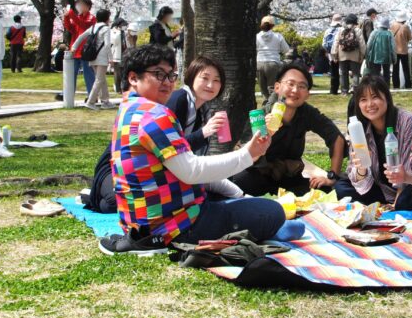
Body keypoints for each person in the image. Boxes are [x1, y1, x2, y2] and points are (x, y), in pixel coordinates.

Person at [99, 44, 285, 255]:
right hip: (174, 224)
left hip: (143, 219)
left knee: (239, 202)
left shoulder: (129, 108)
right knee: (272, 212)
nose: (168, 82)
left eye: (171, 75)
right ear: (133, 78)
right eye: (159, 74)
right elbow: (191, 170)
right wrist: (248, 154)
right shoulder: (156, 114)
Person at [87, 55, 238, 214]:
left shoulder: (202, 111)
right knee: (112, 203)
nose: (210, 85)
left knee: (203, 196)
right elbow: (164, 146)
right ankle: (90, 195)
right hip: (120, 165)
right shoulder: (179, 99)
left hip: (157, 170)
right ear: (192, 77)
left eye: (216, 80)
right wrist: (203, 133)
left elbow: (184, 157)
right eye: (205, 78)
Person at [230, 62, 346, 196]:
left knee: (324, 190)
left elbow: (336, 138)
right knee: (240, 181)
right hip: (258, 177)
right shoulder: (260, 117)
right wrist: (264, 136)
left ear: (307, 94)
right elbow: (244, 157)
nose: (295, 90)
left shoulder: (307, 113)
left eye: (302, 86)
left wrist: (332, 177)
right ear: (277, 87)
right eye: (290, 84)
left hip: (289, 178)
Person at [335, 75, 412, 209]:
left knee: (405, 200)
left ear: (386, 98)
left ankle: (394, 202)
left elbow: (408, 165)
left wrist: (396, 205)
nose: (370, 104)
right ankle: (385, 203)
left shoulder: (407, 121)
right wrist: (361, 168)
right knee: (341, 188)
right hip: (381, 187)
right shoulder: (358, 128)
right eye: (363, 100)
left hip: (408, 183)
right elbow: (358, 176)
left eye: (375, 97)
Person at [71, 9, 113, 111]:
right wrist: (111, 58)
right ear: (106, 18)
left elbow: (81, 37)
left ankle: (105, 101)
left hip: (92, 56)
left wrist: (74, 47)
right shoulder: (106, 29)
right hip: (102, 57)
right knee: (99, 80)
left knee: (101, 79)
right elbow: (107, 45)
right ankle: (91, 102)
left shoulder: (93, 27)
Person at [64, 0, 97, 95]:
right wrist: (66, 17)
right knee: (71, 74)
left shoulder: (91, 18)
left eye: (81, 5)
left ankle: (91, 95)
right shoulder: (77, 17)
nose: (79, 7)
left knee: (88, 74)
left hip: (86, 50)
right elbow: (71, 28)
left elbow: (83, 25)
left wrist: (71, 14)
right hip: (75, 50)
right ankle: (68, 93)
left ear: (87, 6)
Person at [256, 15, 290, 100]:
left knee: (263, 90)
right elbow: (286, 50)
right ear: (272, 26)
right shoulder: (278, 36)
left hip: (259, 63)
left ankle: (265, 106)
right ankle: (272, 107)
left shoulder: (257, 36)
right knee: (272, 88)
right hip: (273, 63)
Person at [331, 13, 366, 95]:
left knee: (343, 74)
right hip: (355, 55)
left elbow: (336, 43)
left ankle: (344, 91)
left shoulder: (340, 30)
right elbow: (362, 44)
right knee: (355, 73)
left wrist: (334, 55)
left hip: (342, 55)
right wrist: (363, 55)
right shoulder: (358, 30)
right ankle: (355, 90)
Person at [366, 16, 395, 83]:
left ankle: (376, 86)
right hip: (387, 56)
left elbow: (368, 45)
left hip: (375, 56)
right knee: (386, 72)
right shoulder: (389, 34)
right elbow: (393, 47)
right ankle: (386, 87)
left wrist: (367, 56)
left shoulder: (374, 32)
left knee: (376, 72)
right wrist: (394, 58)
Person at [390, 11, 412, 89]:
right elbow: (410, 38)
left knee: (395, 69)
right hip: (404, 50)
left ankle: (396, 85)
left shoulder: (392, 25)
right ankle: (408, 85)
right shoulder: (406, 27)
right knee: (405, 69)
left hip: (395, 51)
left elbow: (390, 37)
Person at [323, 14, 343, 95]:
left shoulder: (328, 31)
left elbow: (324, 44)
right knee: (342, 72)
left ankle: (333, 90)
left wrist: (328, 52)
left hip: (331, 54)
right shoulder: (343, 29)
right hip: (341, 54)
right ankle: (344, 90)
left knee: (334, 72)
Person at [110, 18, 128, 94]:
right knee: (117, 73)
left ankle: (124, 88)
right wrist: (118, 32)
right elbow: (115, 41)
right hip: (116, 55)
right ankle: (118, 88)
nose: (124, 26)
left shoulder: (124, 32)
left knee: (124, 72)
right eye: (123, 25)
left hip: (124, 54)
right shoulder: (113, 31)